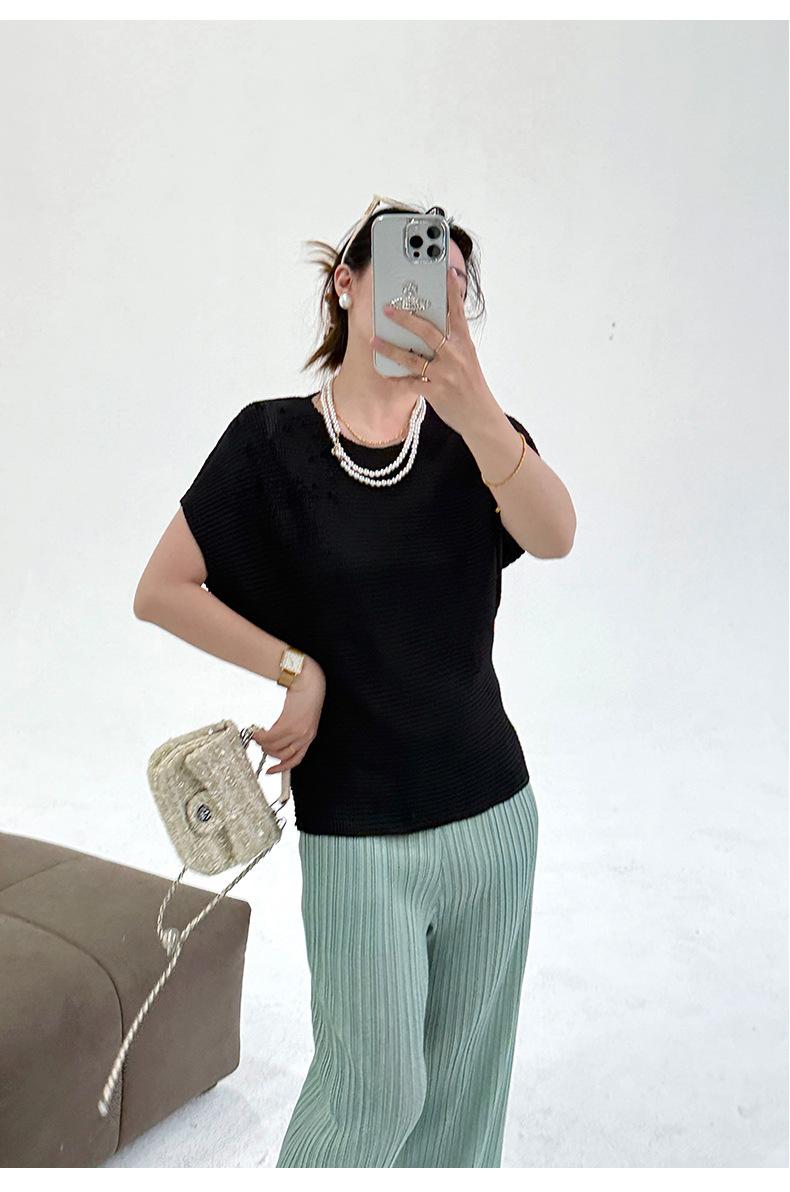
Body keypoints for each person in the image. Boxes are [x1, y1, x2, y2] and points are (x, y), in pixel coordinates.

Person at [133, 195, 576, 1167]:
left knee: (462, 1106)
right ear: (346, 283)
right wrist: (297, 670)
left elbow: (555, 534)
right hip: (359, 836)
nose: (432, 300)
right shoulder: (270, 443)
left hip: (495, 819)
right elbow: (160, 589)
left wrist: (476, 407)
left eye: (452, 289)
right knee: (370, 1095)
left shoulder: (479, 441)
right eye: (413, 273)